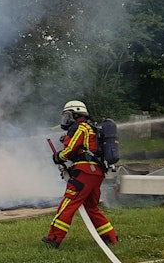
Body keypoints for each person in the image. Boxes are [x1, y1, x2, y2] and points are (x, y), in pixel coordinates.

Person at [42, 100, 118, 248]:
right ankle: (110, 238)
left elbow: (71, 149)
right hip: (96, 173)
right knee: (91, 207)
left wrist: (58, 157)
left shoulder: (80, 127)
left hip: (85, 172)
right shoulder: (92, 128)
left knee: (69, 202)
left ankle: (54, 238)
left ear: (76, 114)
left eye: (67, 115)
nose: (66, 118)